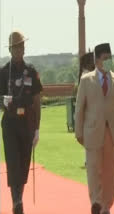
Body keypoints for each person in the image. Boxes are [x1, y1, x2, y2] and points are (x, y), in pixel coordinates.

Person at [75, 43, 114, 214]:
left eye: (109, 58)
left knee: (110, 173)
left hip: (112, 134)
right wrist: (79, 132)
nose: (108, 62)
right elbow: (80, 108)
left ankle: (106, 206)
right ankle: (96, 202)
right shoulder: (86, 80)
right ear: (97, 60)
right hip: (92, 132)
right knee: (93, 170)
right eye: (105, 59)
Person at [0, 31, 42, 214]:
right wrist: (3, 101)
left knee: (24, 164)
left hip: (26, 123)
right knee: (13, 162)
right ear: (10, 49)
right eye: (17, 46)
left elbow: (37, 100)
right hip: (10, 122)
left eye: (22, 45)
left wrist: (37, 128)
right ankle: (17, 202)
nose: (20, 49)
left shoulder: (31, 71)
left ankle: (18, 199)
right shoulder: (2, 72)